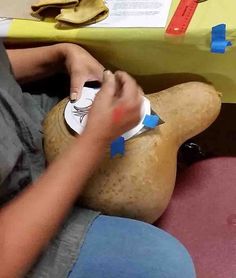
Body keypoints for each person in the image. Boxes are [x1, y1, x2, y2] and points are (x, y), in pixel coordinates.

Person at [0, 41, 196, 278]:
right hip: (12, 231)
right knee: (166, 266)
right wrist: (94, 140)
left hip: (25, 118)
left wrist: (58, 55)